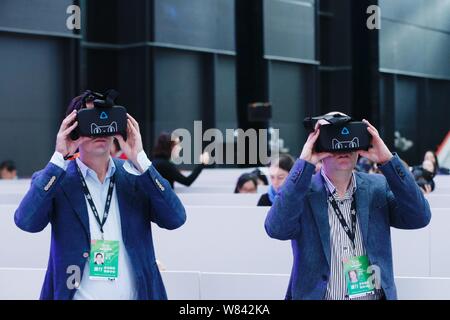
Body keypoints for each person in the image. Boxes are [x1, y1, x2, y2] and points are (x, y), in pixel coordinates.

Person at [15, 92, 186, 300]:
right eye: (90, 119)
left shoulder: (135, 176)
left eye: (106, 117)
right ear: (73, 127)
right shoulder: (57, 179)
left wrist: (140, 159)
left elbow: (176, 218)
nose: (100, 127)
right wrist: (59, 158)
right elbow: (26, 221)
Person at [265, 112, 431, 300]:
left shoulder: (377, 187)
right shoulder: (302, 192)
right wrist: (304, 164)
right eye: (333, 137)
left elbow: (420, 217)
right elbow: (276, 229)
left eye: (350, 136)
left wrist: (387, 161)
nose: (343, 144)